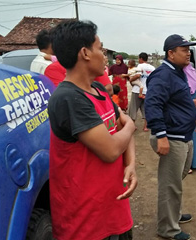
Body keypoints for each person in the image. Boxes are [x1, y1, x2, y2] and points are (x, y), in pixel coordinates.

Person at [47, 20, 137, 240]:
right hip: (86, 224)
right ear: (85, 53)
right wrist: (132, 125)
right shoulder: (68, 98)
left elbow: (121, 128)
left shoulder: (97, 89)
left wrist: (131, 164)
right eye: (100, 48)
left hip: (115, 211)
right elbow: (111, 150)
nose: (104, 56)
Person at [145, 34, 196, 240]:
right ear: (171, 53)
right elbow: (152, 105)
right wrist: (160, 135)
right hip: (171, 136)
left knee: (177, 179)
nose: (188, 53)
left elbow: (181, 100)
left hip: (183, 133)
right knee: (170, 184)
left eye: (189, 49)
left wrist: (193, 119)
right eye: (184, 50)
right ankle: (167, 228)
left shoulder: (178, 72)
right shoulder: (163, 75)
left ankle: (174, 215)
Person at [129, 52, 155, 132]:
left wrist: (131, 79)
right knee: (146, 109)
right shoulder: (152, 68)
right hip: (147, 91)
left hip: (137, 90)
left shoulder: (140, 66)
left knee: (133, 108)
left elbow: (138, 75)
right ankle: (145, 127)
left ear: (141, 59)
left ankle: (132, 126)